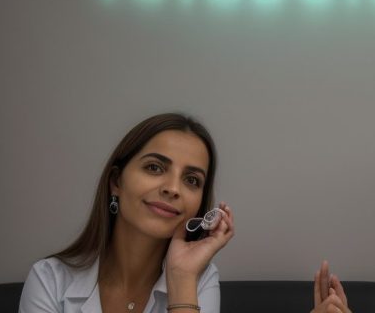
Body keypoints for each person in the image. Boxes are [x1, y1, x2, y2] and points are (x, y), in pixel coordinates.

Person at [19, 113, 235, 313]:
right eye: (154, 167)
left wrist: (181, 278)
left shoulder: (199, 280)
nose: (173, 188)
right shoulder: (50, 279)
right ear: (116, 182)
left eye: (191, 180)